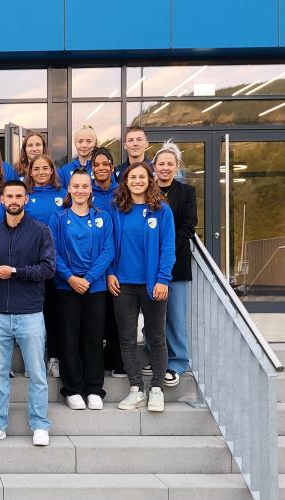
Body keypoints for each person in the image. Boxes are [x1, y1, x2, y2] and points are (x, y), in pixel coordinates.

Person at [0, 180, 55, 447]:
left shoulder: (41, 231)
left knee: (37, 373)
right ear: (2, 199)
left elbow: (48, 270)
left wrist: (16, 272)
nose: (13, 200)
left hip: (30, 313)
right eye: (9, 195)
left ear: (26, 199)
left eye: (18, 195)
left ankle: (40, 424)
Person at [107, 162, 176, 413]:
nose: (137, 181)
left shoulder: (162, 211)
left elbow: (168, 247)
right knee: (126, 338)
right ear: (125, 181)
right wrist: (110, 273)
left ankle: (156, 388)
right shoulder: (116, 209)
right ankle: (136, 388)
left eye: (142, 177)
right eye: (132, 177)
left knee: (156, 336)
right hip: (123, 284)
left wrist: (163, 279)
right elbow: (109, 245)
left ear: (150, 180)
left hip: (152, 284)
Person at [49, 170, 114, 410]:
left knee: (94, 338)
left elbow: (108, 250)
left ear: (91, 189)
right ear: (69, 189)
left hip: (94, 287)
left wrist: (88, 278)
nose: (80, 190)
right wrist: (70, 277)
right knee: (69, 338)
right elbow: (52, 252)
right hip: (66, 287)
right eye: (75, 186)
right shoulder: (58, 218)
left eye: (84, 186)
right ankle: (72, 389)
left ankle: (94, 388)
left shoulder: (103, 217)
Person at [151, 141, 197, 388]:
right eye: (161, 164)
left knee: (175, 316)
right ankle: (156, 357)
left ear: (176, 166)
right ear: (154, 166)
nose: (165, 168)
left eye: (170, 164)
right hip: (147, 266)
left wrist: (164, 251)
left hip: (176, 264)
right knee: (152, 316)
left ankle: (177, 361)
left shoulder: (186, 192)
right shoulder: (147, 191)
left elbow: (188, 227)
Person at [24, 155, 66, 379]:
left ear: (52, 171)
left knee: (54, 315)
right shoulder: (25, 196)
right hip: (31, 266)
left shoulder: (62, 195)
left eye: (45, 168)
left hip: (57, 266)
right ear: (30, 172)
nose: (40, 172)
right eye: (36, 168)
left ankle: (54, 358)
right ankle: (34, 362)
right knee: (32, 317)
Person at [90, 147, 125, 378]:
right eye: (97, 165)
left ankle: (116, 360)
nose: (101, 168)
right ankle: (97, 361)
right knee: (97, 317)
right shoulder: (87, 192)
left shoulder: (121, 192)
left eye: (105, 164)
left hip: (118, 262)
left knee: (116, 315)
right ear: (91, 169)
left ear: (112, 166)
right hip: (93, 264)